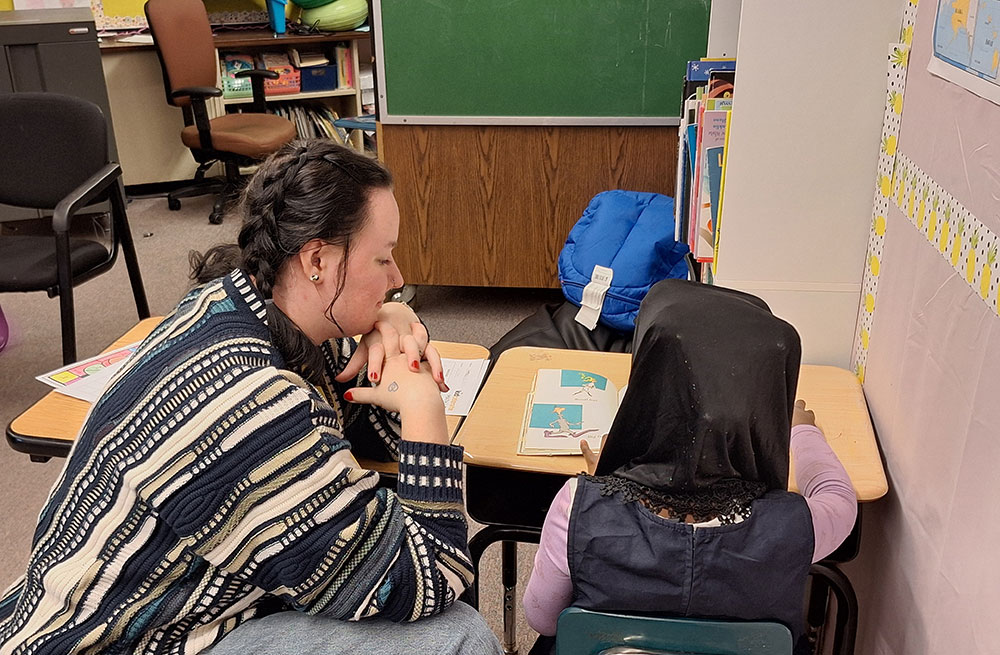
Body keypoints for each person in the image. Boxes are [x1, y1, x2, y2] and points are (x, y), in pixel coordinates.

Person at [0, 140, 502, 655]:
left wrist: (391, 320)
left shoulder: (235, 299)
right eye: (383, 258)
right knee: (456, 637)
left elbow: (357, 418)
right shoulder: (254, 405)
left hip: (88, 609)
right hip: (119, 643)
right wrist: (423, 404)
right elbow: (432, 575)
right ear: (316, 261)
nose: (397, 279)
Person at [522, 279, 858, 654]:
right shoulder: (798, 525)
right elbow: (839, 497)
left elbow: (544, 619)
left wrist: (605, 479)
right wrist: (803, 432)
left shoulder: (576, 508)